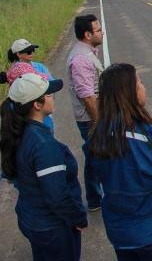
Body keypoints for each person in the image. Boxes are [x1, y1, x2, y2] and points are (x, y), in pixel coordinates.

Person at [87, 63, 152, 261]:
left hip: (120, 234)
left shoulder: (96, 136)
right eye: (140, 83)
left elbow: (100, 180)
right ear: (129, 94)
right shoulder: (151, 137)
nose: (144, 87)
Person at [0, 73, 87, 261]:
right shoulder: (43, 146)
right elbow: (57, 196)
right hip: (52, 227)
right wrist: (77, 218)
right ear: (37, 105)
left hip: (31, 217)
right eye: (48, 94)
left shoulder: (17, 131)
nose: (52, 97)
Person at [66, 14, 104, 211]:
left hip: (93, 116)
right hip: (90, 119)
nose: (102, 32)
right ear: (87, 34)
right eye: (98, 30)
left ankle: (96, 196)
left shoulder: (88, 51)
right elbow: (87, 97)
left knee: (95, 155)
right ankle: (95, 198)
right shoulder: (81, 59)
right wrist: (100, 123)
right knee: (95, 157)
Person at [1, 38, 56, 131]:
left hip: (43, 109)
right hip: (32, 111)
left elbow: (52, 84)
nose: (32, 53)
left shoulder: (39, 66)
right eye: (28, 51)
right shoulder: (15, 72)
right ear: (18, 54)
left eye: (32, 50)